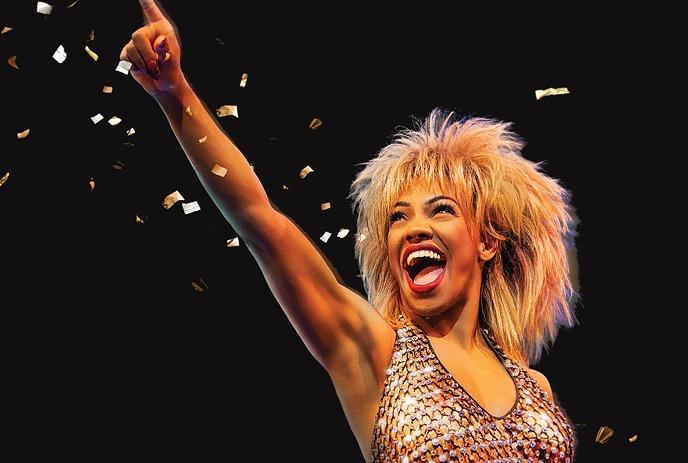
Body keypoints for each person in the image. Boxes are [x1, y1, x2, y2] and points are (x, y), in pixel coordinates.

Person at [121, 2, 578, 461]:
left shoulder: (533, 385)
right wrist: (174, 93)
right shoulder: (372, 351)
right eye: (398, 218)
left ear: (485, 242)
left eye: (439, 211)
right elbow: (262, 221)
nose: (414, 228)